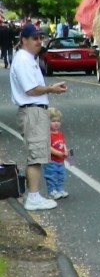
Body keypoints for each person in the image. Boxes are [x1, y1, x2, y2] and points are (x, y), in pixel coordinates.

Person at [9, 22, 68, 211]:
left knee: (39, 154)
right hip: (32, 110)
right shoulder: (23, 60)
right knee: (35, 156)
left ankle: (34, 195)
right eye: (34, 38)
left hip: (36, 110)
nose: (39, 41)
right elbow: (31, 89)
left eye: (40, 38)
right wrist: (51, 89)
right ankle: (33, 197)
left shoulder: (29, 59)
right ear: (23, 40)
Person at [44, 107, 69, 200]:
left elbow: (63, 143)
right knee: (51, 175)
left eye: (58, 121)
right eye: (53, 121)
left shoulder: (60, 133)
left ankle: (59, 189)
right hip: (51, 160)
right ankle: (52, 191)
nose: (56, 123)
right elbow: (48, 147)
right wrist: (57, 153)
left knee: (61, 175)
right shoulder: (47, 135)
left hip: (60, 160)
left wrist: (65, 151)